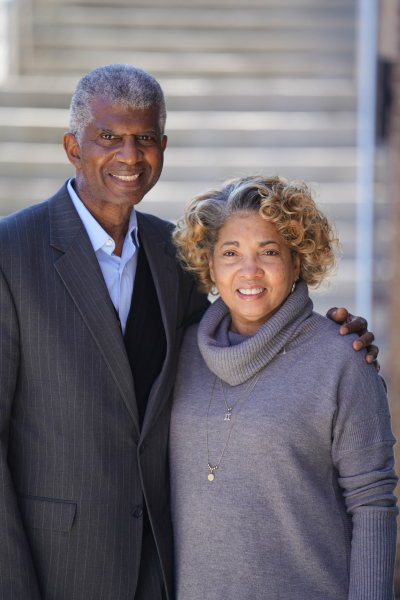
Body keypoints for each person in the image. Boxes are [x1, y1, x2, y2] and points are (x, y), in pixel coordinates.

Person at [0, 64, 379, 600]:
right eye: (109, 137)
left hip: (164, 570)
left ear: (163, 146)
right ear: (71, 146)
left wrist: (333, 340)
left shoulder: (172, 255)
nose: (130, 155)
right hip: (58, 567)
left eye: (145, 138)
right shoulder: (11, 254)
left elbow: (237, 340)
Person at [170, 175, 398, 600]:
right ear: (211, 266)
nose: (249, 271)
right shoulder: (178, 355)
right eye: (231, 252)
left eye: (269, 252)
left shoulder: (342, 360)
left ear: (297, 262)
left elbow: (373, 505)